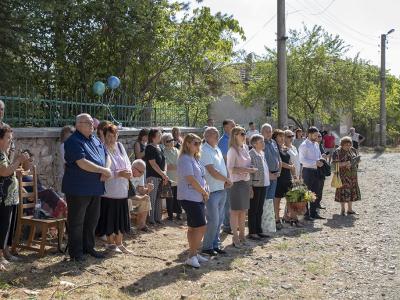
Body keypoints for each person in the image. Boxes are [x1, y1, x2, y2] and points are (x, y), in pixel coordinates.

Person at [62, 113, 112, 261]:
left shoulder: (95, 139)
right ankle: (76, 253)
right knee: (77, 221)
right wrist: (102, 170)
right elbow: (81, 162)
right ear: (78, 125)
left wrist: (106, 170)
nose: (92, 125)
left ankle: (88, 247)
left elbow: (106, 156)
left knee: (92, 219)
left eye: (92, 122)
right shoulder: (73, 141)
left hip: (95, 187)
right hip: (78, 188)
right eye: (88, 122)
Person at [96, 124, 132, 254]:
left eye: (114, 136)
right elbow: (104, 173)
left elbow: (127, 162)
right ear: (104, 136)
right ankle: (110, 243)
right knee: (110, 218)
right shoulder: (102, 150)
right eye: (109, 136)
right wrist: (119, 174)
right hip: (109, 191)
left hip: (122, 189)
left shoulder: (120, 147)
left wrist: (128, 172)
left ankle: (120, 243)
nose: (112, 139)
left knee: (121, 218)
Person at [0, 125, 30, 271]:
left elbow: (10, 170)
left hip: (10, 197)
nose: (10, 142)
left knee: (7, 227)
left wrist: (18, 163)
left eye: (11, 139)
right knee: (2, 226)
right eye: (8, 138)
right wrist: (18, 160)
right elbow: (4, 171)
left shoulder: (4, 154)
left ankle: (5, 252)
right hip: (3, 197)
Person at [177, 133, 209, 268]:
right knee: (202, 226)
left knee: (192, 227)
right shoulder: (185, 159)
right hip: (189, 197)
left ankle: (194, 254)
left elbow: (201, 176)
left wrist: (206, 188)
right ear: (188, 144)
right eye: (195, 143)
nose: (198, 146)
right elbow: (190, 179)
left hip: (197, 197)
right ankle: (191, 255)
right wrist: (203, 191)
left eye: (199, 143)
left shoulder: (194, 158)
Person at [200, 127, 231, 256]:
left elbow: (222, 166)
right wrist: (226, 179)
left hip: (221, 188)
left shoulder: (216, 149)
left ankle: (215, 244)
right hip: (212, 190)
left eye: (217, 134)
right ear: (207, 136)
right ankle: (207, 246)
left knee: (220, 219)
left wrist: (226, 180)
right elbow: (211, 171)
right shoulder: (205, 150)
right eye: (214, 135)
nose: (217, 137)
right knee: (213, 219)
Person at [227, 126, 257, 248]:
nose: (244, 136)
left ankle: (242, 236)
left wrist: (249, 182)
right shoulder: (232, 150)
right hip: (235, 183)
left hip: (245, 182)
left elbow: (248, 165)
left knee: (244, 211)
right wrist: (247, 170)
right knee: (235, 212)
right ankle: (235, 237)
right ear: (235, 136)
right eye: (241, 134)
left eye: (245, 133)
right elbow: (231, 169)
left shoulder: (245, 148)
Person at [21, 150, 67, 218]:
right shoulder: (19, 173)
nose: (32, 163)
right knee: (52, 195)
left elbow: (40, 186)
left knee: (52, 194)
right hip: (32, 199)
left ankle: (61, 222)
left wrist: (45, 189)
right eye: (30, 161)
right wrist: (26, 194)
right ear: (23, 161)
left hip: (40, 198)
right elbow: (18, 185)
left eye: (32, 161)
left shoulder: (33, 174)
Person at [299, 127, 326, 220]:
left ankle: (313, 213)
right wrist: (315, 162)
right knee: (307, 192)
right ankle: (306, 214)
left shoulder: (316, 144)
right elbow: (302, 160)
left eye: (317, 135)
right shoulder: (304, 145)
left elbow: (318, 156)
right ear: (309, 134)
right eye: (315, 135)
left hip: (316, 171)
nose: (316, 137)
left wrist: (321, 158)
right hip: (307, 171)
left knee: (315, 192)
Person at [332, 136, 361, 215]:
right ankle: (342, 209)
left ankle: (350, 209)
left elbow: (355, 159)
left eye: (349, 144)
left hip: (352, 175)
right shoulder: (337, 152)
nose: (348, 146)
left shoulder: (352, 150)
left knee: (351, 191)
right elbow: (334, 165)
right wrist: (345, 164)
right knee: (343, 191)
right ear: (342, 144)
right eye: (346, 145)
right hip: (342, 176)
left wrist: (357, 162)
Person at [248, 134, 270, 240]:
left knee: (260, 209)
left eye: (263, 141)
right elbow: (250, 173)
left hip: (264, 184)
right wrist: (250, 186)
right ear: (254, 144)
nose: (263, 143)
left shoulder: (262, 153)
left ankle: (259, 230)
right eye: (261, 142)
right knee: (253, 209)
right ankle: (252, 232)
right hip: (255, 185)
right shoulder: (251, 154)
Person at [273, 130, 296, 229]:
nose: (282, 138)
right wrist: (290, 167)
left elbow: (290, 161)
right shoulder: (275, 148)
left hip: (287, 177)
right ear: (275, 137)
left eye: (283, 136)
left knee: (290, 198)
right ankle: (277, 219)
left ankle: (288, 217)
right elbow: (280, 163)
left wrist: (294, 175)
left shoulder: (284, 148)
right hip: (279, 177)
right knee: (277, 200)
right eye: (280, 136)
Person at [144, 128, 168, 224]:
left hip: (161, 176)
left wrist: (164, 173)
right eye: (159, 134)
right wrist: (163, 174)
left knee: (159, 198)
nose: (161, 136)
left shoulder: (160, 147)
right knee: (152, 198)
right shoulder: (149, 148)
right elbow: (153, 164)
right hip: (152, 176)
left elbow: (164, 161)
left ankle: (158, 218)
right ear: (153, 137)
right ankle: (151, 219)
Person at [218, 119, 236, 234]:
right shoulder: (224, 141)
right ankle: (227, 225)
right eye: (232, 125)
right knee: (227, 202)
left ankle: (231, 223)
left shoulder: (233, 139)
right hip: (228, 175)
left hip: (234, 174)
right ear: (225, 127)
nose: (234, 127)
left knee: (232, 201)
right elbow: (225, 158)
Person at [162, 133, 182, 221]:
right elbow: (167, 166)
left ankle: (179, 213)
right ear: (164, 142)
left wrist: (176, 166)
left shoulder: (177, 150)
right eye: (169, 141)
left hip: (178, 177)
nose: (171, 142)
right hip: (169, 178)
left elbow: (180, 163)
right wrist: (176, 166)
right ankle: (170, 215)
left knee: (178, 197)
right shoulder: (163, 152)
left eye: (172, 140)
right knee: (169, 197)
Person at [130, 159, 153, 232]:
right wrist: (141, 198)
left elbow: (141, 190)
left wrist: (148, 189)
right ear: (133, 169)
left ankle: (141, 225)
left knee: (146, 199)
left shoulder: (140, 174)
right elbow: (128, 194)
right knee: (128, 201)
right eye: (141, 172)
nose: (142, 174)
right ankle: (127, 226)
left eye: (144, 172)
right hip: (125, 197)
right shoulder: (127, 174)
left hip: (133, 196)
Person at [261, 123, 281, 202]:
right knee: (264, 201)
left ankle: (270, 215)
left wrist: (279, 171)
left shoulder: (273, 142)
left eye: (270, 131)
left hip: (275, 175)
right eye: (267, 131)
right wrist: (269, 174)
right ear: (262, 132)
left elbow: (278, 157)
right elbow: (262, 161)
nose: (269, 133)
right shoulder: (260, 143)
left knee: (270, 200)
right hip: (266, 176)